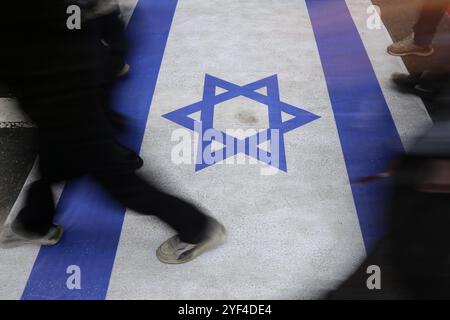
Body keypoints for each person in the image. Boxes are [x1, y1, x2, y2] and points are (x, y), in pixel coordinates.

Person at [0, 0, 226, 264]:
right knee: (54, 160)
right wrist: (115, 53)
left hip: (55, 90)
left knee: (117, 181)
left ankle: (197, 228)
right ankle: (34, 224)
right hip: (74, 73)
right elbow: (100, 10)